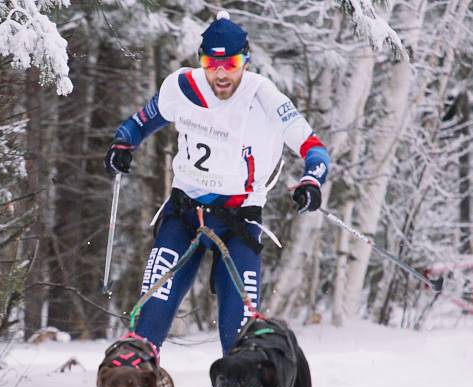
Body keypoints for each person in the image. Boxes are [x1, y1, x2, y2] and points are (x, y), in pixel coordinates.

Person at [104, 11, 330, 356]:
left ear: (246, 60)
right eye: (212, 62)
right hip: (183, 215)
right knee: (146, 324)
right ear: (201, 60)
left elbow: (313, 148)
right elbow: (138, 124)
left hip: (238, 222)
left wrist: (312, 180)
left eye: (232, 62)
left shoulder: (263, 95)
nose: (221, 73)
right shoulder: (181, 87)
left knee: (241, 338)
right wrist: (123, 144)